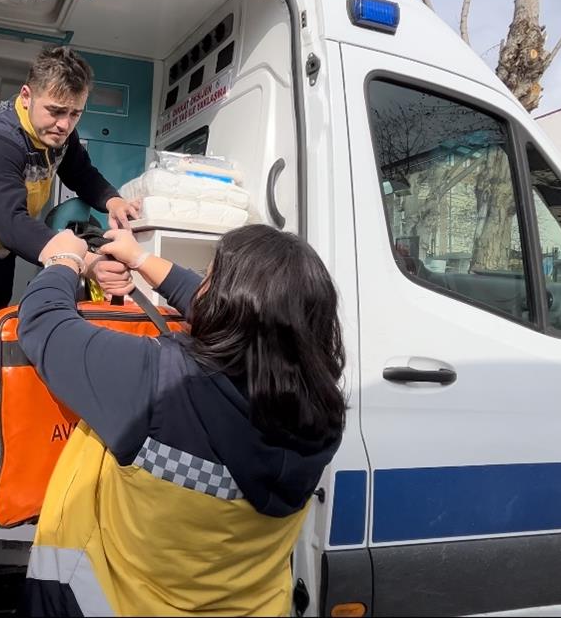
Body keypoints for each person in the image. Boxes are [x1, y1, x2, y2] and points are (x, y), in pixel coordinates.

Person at [18, 225, 348, 616]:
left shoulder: (156, 384)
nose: (201, 285)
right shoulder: (322, 412)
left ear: (226, 300)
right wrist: (140, 260)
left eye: (208, 275)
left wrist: (63, 259)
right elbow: (251, 319)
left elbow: (45, 328)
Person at [0, 46, 139, 515]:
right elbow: (12, 222)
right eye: (55, 111)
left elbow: (81, 172)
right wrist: (72, 258)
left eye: (74, 113)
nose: (63, 124)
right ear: (27, 96)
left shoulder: (60, 131)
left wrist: (112, 200)